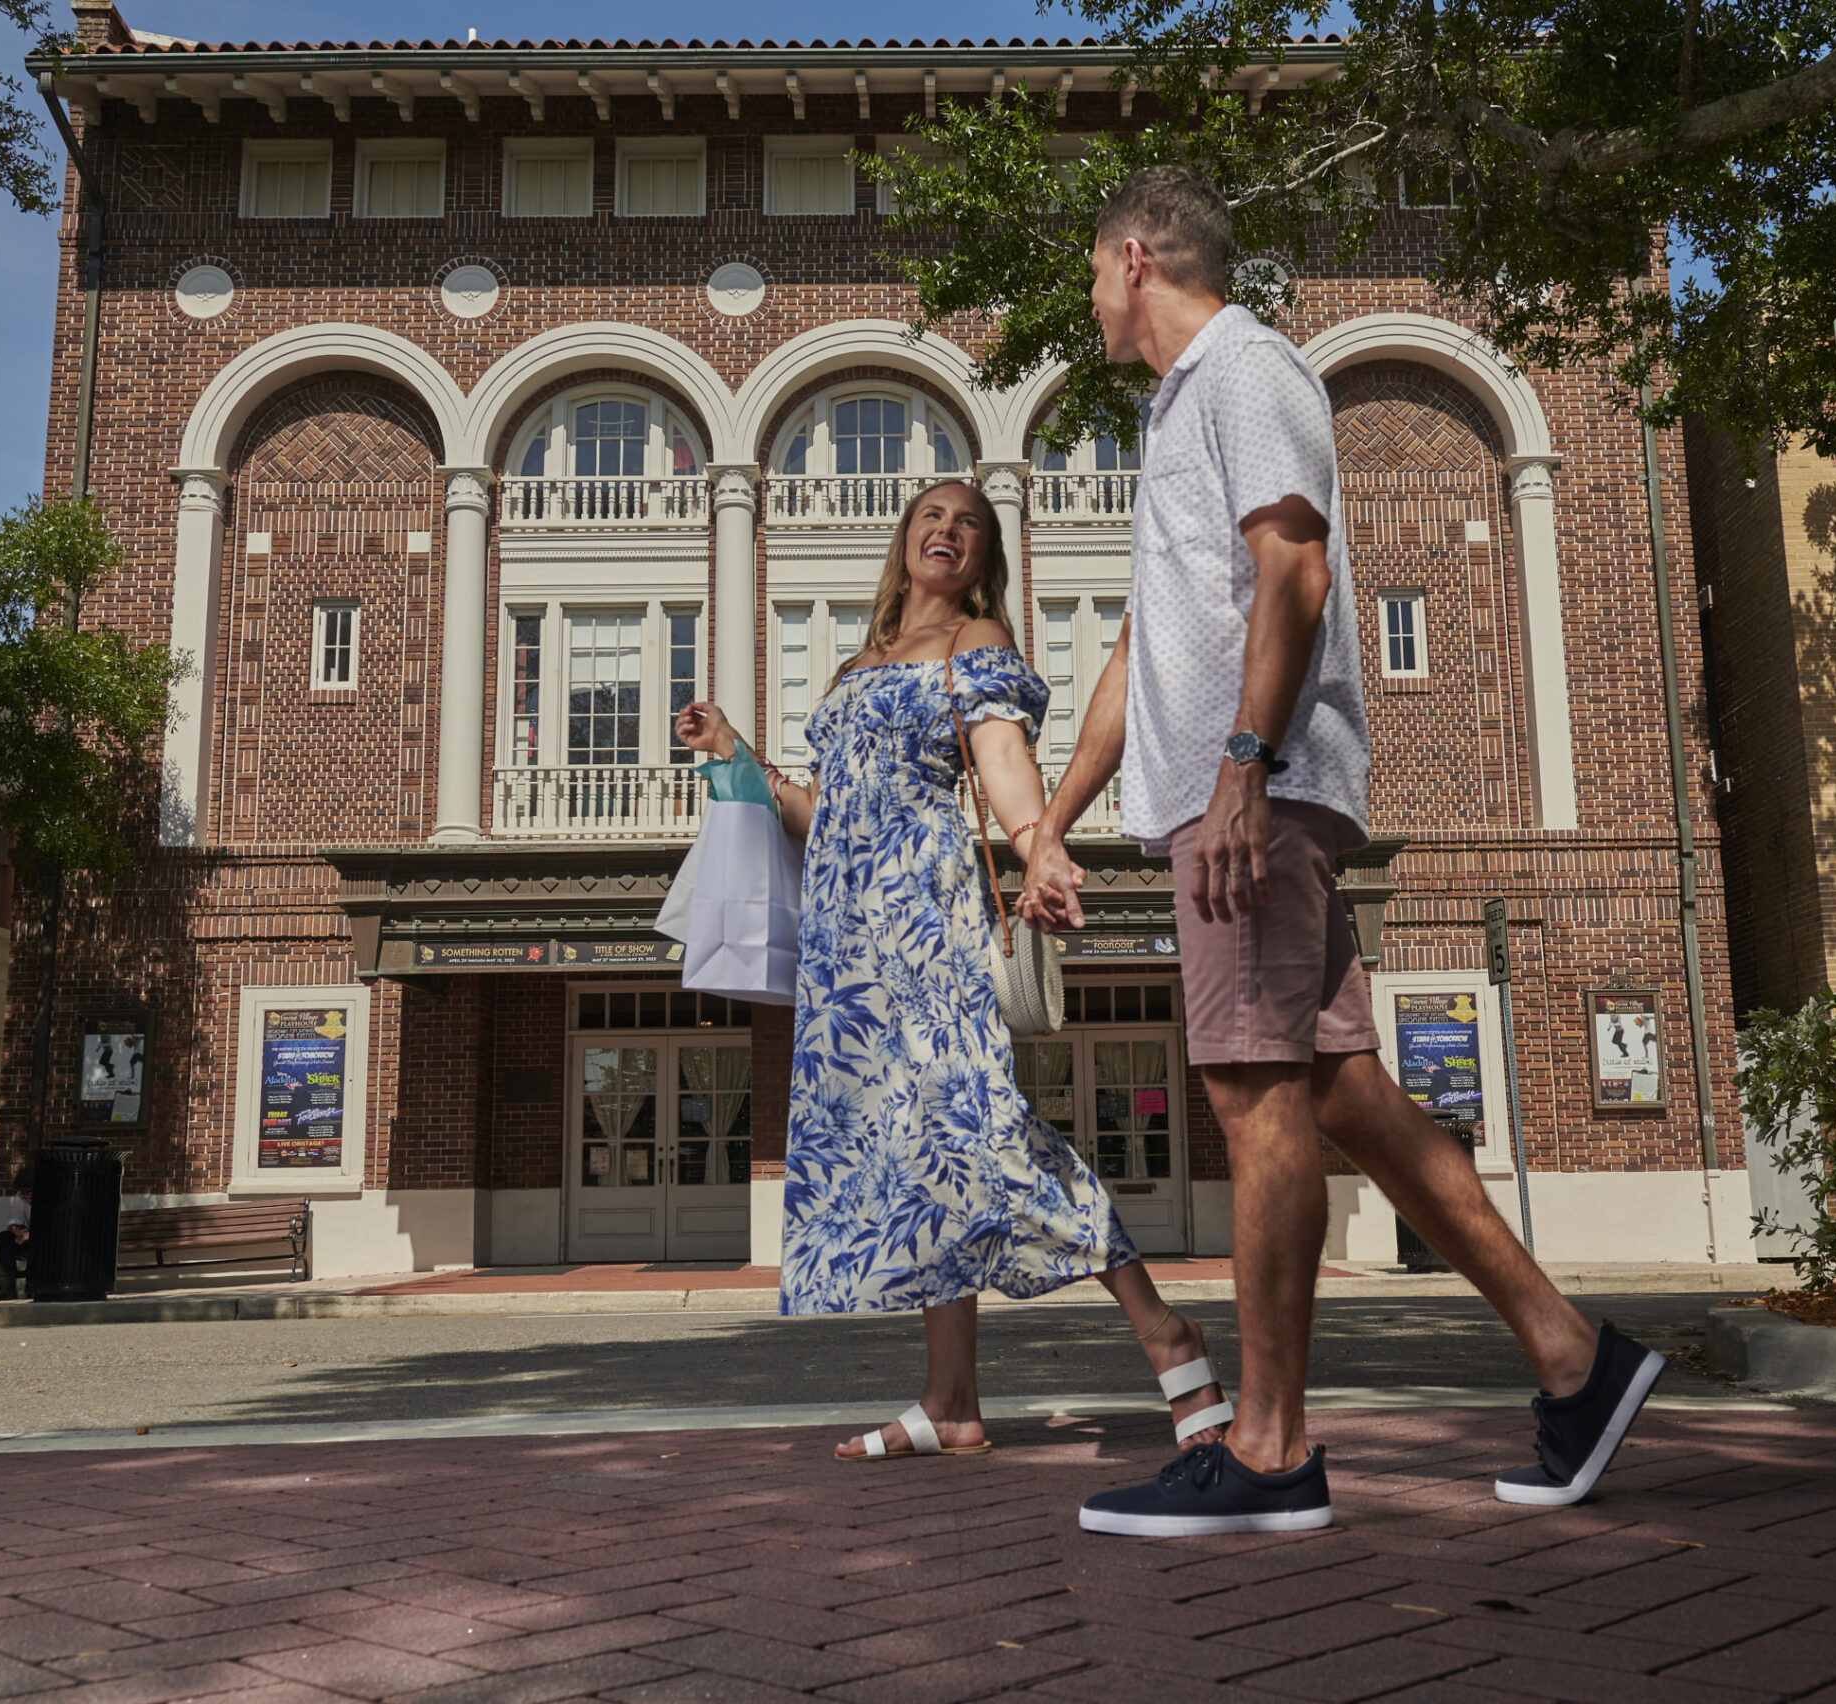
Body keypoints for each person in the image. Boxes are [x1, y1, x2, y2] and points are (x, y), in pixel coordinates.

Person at [1020, 165, 1665, 1534]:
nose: (1087, 296)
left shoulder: (1248, 369)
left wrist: (1244, 771)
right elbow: (1145, 655)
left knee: (1254, 1102)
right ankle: (1574, 1357)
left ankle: (1268, 1449)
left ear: (1136, 256)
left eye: (1090, 268)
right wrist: (1051, 823)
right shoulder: (1182, 408)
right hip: (1226, 791)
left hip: (1250, 796)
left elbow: (1296, 571)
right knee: (1344, 1095)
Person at [675, 476, 1236, 1461]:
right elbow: (824, 817)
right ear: (902, 540)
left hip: (925, 923)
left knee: (979, 1133)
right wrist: (735, 755)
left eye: (969, 523)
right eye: (933, 514)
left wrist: (1038, 843)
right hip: (846, 947)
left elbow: (1000, 754)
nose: (949, 528)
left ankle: (1165, 1334)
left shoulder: (973, 646)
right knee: (916, 1157)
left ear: (984, 558)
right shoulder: (859, 665)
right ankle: (950, 1403)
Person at [0, 1169, 33, 1302]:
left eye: (29, 1195)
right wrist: (17, 1231)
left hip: (46, 1240)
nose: (28, 1199)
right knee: (2, 1239)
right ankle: (7, 1289)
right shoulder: (20, 1198)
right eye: (25, 1196)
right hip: (26, 1236)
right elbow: (15, 1219)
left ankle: (32, 1287)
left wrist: (30, 1235)